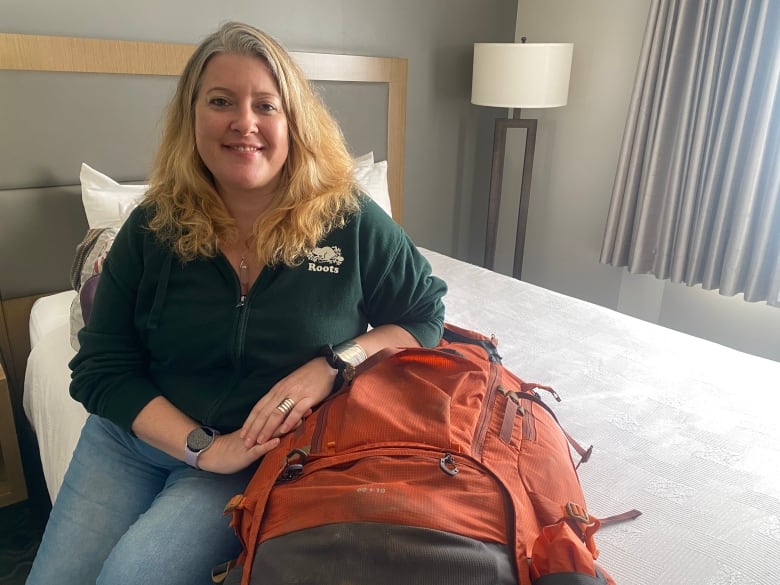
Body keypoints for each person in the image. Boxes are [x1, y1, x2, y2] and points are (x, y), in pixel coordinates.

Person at [26, 21, 446, 585]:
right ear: (192, 117)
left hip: (250, 455)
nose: (243, 123)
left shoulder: (349, 220)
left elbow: (423, 317)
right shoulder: (152, 227)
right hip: (133, 440)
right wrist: (205, 446)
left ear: (293, 121)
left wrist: (332, 363)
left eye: (265, 106)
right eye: (221, 101)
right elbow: (101, 369)